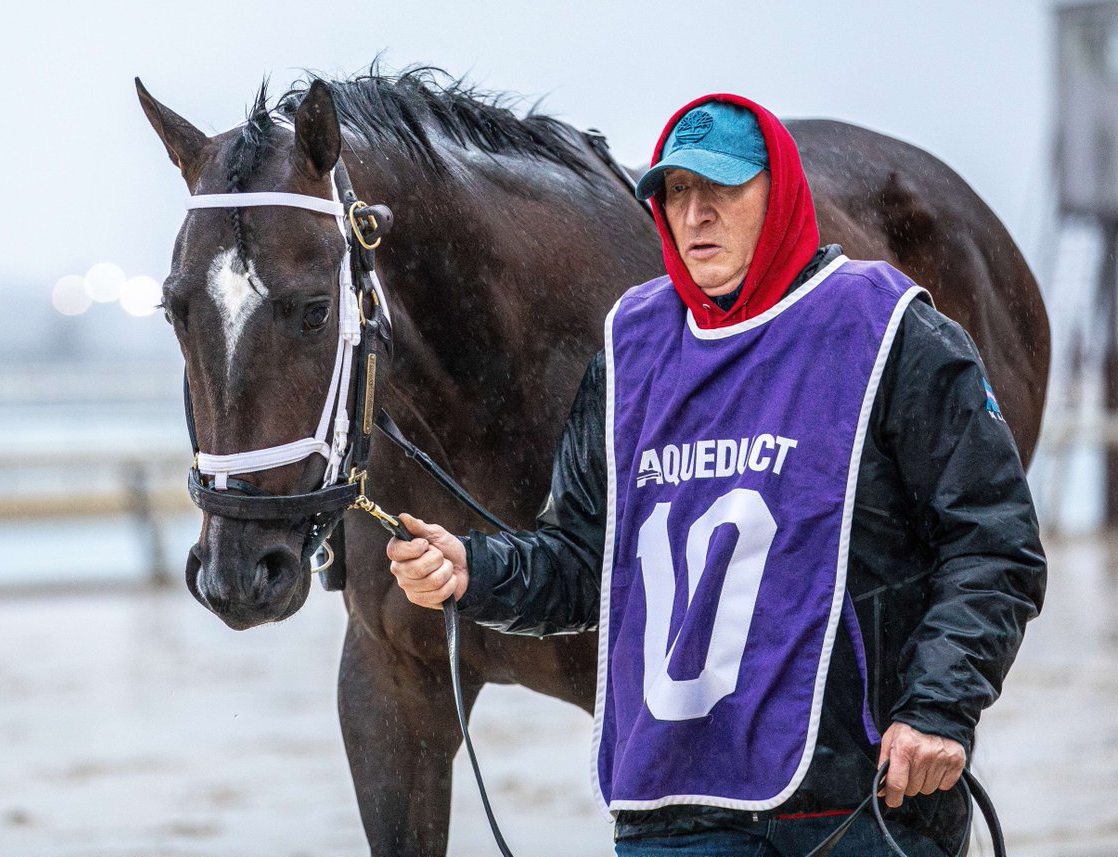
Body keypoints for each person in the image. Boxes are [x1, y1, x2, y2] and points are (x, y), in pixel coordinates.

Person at [385, 94, 1045, 856]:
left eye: (722, 189)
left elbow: (996, 545)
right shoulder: (629, 352)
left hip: (857, 812)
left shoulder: (893, 332)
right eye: (675, 193)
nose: (694, 214)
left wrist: (938, 710)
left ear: (781, 192)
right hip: (677, 818)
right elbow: (584, 565)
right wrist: (476, 569)